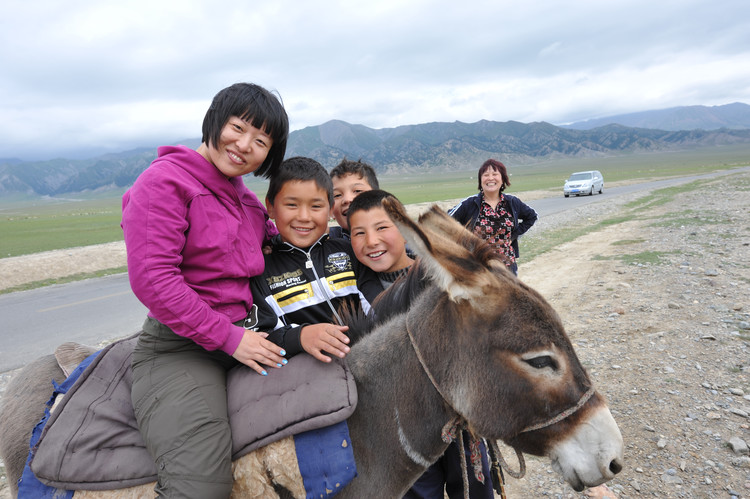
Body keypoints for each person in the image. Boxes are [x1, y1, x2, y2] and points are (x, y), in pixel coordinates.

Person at [121, 82, 289, 498]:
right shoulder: (164, 182)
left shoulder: (247, 202)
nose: (244, 145)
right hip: (180, 348)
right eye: (237, 127)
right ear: (214, 121)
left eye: (261, 140)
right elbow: (154, 279)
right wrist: (230, 339)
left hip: (246, 334)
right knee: (202, 486)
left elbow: (278, 242)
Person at [346, 190, 495, 499]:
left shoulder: (436, 274)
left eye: (383, 227)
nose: (371, 241)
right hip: (402, 423)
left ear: (404, 228)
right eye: (358, 233)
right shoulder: (355, 284)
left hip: (455, 416)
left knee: (472, 486)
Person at [248, 156, 383, 362]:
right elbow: (262, 337)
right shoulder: (261, 270)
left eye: (316, 206)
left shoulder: (349, 252)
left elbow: (379, 309)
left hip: (369, 359)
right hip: (313, 376)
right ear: (271, 207)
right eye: (292, 205)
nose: (304, 216)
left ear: (330, 210)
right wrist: (300, 337)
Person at [448, 159, 537, 275]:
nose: (490, 178)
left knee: (508, 293)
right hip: (477, 269)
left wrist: (514, 235)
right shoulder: (469, 204)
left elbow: (531, 216)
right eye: (485, 175)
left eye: (495, 174)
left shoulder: (512, 202)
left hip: (507, 267)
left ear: (503, 179)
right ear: (480, 181)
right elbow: (442, 220)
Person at [328, 158, 379, 239]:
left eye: (357, 191)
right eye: (337, 195)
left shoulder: (397, 237)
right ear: (331, 211)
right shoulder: (326, 243)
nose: (347, 199)